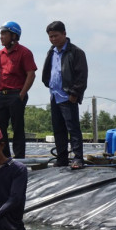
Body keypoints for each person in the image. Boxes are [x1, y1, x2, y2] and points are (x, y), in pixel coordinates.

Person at [42, 21, 88, 169]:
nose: (53, 39)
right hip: (55, 96)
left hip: (68, 96)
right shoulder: (51, 51)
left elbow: (82, 76)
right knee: (58, 130)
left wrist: (74, 93)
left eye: (56, 36)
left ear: (64, 34)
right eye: (50, 37)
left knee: (73, 128)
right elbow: (49, 71)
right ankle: (62, 158)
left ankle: (78, 158)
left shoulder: (75, 52)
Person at [0, 21, 37, 159]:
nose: (1, 36)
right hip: (2, 95)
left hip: (16, 94)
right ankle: (4, 156)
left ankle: (19, 158)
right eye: (1, 33)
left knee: (17, 126)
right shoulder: (0, 54)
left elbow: (31, 74)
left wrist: (22, 94)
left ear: (14, 35)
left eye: (4, 33)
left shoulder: (24, 52)